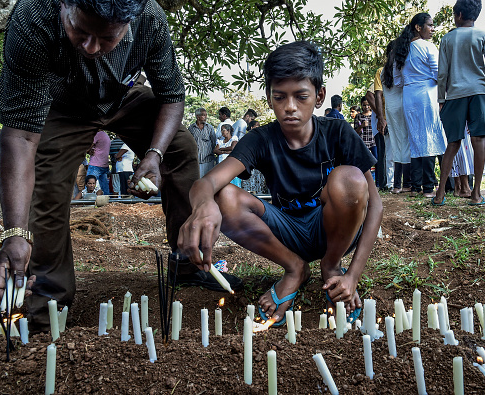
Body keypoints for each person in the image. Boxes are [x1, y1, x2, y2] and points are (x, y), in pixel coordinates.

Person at [0, 0, 240, 333]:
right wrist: (15, 234)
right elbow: (20, 137)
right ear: (64, 4)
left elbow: (170, 95)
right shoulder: (32, 18)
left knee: (180, 148)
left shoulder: (150, 18)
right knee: (49, 182)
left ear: (129, 23)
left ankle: (187, 264)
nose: (90, 47)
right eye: (79, 30)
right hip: (63, 106)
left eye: (105, 37)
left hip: (125, 98)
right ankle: (49, 298)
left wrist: (153, 154)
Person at [178, 41, 383, 327]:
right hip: (286, 231)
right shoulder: (261, 139)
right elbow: (208, 182)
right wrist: (203, 206)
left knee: (349, 178)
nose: (289, 107)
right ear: (269, 97)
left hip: (332, 233)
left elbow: (376, 206)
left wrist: (354, 274)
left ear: (319, 95)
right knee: (222, 196)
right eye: (279, 97)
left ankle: (332, 266)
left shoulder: (337, 131)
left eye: (301, 97)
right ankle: (294, 268)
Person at [432, 0, 485, 206]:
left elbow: (442, 74)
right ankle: (476, 194)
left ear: (459, 15)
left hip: (454, 95)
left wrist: (441, 99)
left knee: (453, 143)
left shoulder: (447, 38)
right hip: (478, 92)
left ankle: (440, 194)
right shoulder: (484, 35)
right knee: (478, 141)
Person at [393, 13, 447, 198]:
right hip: (426, 94)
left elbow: (397, 81)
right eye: (430, 25)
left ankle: (416, 187)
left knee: (415, 140)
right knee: (429, 137)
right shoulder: (428, 47)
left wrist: (412, 80)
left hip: (409, 96)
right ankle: (428, 187)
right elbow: (439, 73)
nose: (433, 29)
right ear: (418, 27)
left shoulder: (401, 49)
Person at [380, 40, 412, 194]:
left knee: (396, 145)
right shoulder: (399, 67)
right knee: (405, 145)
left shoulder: (382, 71)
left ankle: (396, 185)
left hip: (390, 111)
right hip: (401, 108)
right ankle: (406, 184)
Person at [188, 107, 217, 177]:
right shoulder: (191, 128)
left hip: (208, 160)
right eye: (204, 115)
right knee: (197, 180)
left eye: (206, 115)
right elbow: (189, 143)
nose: (206, 117)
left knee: (208, 180)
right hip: (196, 161)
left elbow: (214, 142)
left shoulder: (209, 128)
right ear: (198, 116)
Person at [87, 130, 111, 195]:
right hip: (104, 165)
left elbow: (88, 146)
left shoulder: (97, 134)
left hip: (95, 165)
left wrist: (88, 151)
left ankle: (88, 202)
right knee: (105, 188)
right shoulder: (106, 135)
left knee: (89, 186)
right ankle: (106, 203)